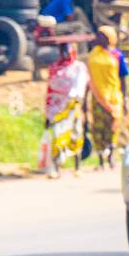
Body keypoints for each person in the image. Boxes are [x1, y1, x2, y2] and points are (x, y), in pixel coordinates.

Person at [39, 42, 89, 178]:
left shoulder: (79, 67)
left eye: (67, 49)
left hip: (72, 107)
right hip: (56, 108)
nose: (65, 53)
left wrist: (77, 102)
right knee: (57, 135)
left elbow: (81, 88)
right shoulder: (54, 68)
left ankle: (77, 166)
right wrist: (48, 111)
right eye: (62, 50)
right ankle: (55, 168)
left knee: (75, 135)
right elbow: (50, 89)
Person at [86, 25, 129, 168]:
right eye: (98, 35)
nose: (99, 38)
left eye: (102, 36)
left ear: (110, 38)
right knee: (98, 128)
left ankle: (110, 156)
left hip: (114, 96)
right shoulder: (93, 55)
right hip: (98, 96)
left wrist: (125, 99)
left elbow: (123, 78)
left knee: (112, 127)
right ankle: (100, 159)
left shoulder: (117, 55)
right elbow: (89, 78)